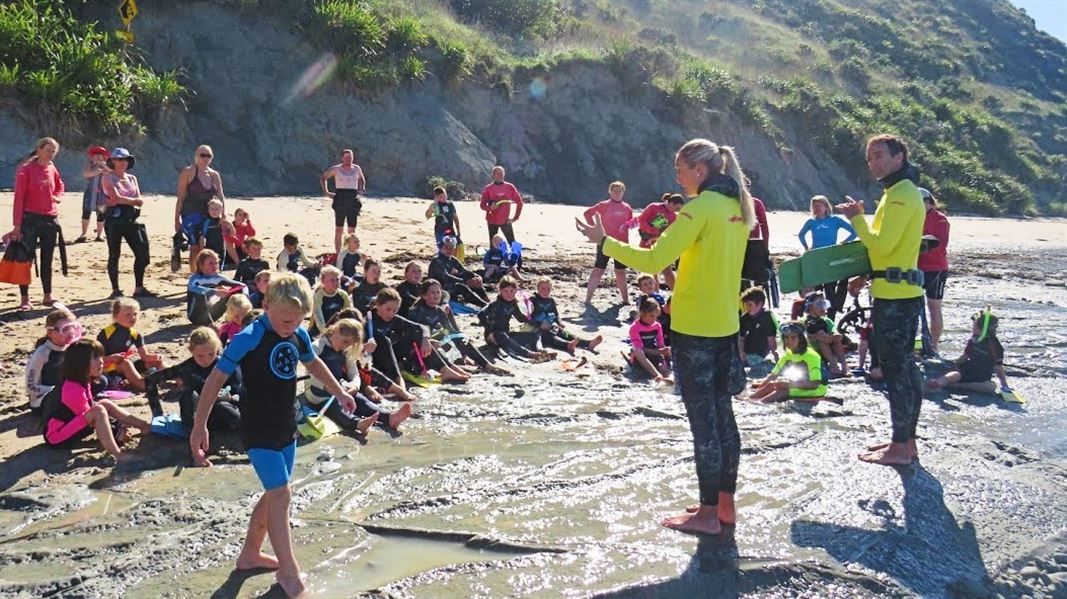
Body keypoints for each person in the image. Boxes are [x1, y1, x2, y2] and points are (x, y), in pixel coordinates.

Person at [577, 137, 753, 536]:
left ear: (699, 171)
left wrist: (604, 243)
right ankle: (724, 505)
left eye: (679, 169)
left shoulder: (700, 209)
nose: (676, 177)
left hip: (695, 329)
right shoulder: (738, 207)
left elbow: (654, 260)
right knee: (724, 419)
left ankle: (708, 514)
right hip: (726, 325)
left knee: (704, 426)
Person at [189, 272, 358, 597]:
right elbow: (214, 381)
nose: (290, 326)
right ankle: (289, 574)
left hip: (286, 425)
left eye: (297, 321)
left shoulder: (299, 335)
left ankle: (250, 555)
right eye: (284, 320)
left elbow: (314, 365)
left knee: (274, 493)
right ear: (266, 305)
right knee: (281, 495)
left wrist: (339, 392)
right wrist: (200, 425)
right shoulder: (249, 336)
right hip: (258, 428)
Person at [836, 134, 926, 466]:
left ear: (899, 157)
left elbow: (883, 246)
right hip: (898, 294)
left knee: (897, 371)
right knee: (904, 368)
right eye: (869, 158)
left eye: (879, 155)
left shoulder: (901, 196)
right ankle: (906, 442)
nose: (873, 162)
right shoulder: (898, 193)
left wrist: (857, 218)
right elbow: (889, 251)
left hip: (897, 299)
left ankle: (901, 446)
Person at [42, 338, 151, 457]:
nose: (101, 362)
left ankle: (144, 426)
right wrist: (117, 432)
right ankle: (118, 454)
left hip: (73, 424)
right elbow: (93, 419)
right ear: (80, 363)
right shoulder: (72, 389)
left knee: (104, 403)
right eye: (95, 358)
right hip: (57, 437)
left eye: (101, 357)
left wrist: (117, 424)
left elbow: (89, 408)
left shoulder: (82, 380)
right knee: (98, 410)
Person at [304, 318, 412, 433]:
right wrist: (334, 390)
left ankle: (389, 417)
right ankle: (358, 423)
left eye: (350, 344)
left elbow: (354, 373)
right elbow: (312, 375)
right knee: (337, 407)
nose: (346, 346)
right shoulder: (317, 347)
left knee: (362, 400)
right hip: (318, 392)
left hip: (341, 388)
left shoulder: (346, 349)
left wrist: (354, 386)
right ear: (335, 331)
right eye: (345, 341)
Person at [143, 327, 242, 438]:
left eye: (211, 354)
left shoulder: (227, 366)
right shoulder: (186, 368)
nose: (206, 360)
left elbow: (242, 393)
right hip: (195, 418)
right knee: (188, 393)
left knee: (227, 410)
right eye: (200, 356)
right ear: (191, 351)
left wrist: (230, 397)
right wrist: (157, 413)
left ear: (217, 349)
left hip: (220, 411)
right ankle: (191, 434)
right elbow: (150, 380)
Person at [367, 288, 471, 385]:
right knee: (385, 341)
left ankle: (446, 369)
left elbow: (422, 327)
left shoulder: (393, 318)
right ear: (378, 305)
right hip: (375, 360)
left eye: (395, 310)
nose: (391, 314)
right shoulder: (369, 320)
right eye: (388, 309)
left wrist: (425, 339)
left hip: (393, 355)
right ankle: (398, 378)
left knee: (417, 334)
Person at [409, 279, 511, 375]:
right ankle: (451, 369)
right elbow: (410, 335)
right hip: (416, 347)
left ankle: (487, 364)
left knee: (460, 338)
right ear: (424, 295)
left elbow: (451, 332)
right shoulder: (416, 311)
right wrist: (429, 341)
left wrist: (463, 340)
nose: (436, 295)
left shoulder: (439, 311)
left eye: (438, 292)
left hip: (431, 342)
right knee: (437, 348)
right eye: (432, 292)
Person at [11, 137, 65, 310]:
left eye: (54, 151)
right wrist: (17, 225)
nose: (51, 154)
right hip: (30, 219)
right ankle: (25, 299)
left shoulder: (52, 168)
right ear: (39, 149)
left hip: (50, 219)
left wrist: (57, 196)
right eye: (48, 150)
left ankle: (47, 295)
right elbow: (19, 198)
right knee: (25, 260)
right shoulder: (26, 170)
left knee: (47, 259)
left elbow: (60, 185)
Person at [101, 147, 154, 299]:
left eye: (124, 159)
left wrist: (134, 201)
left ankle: (139, 287)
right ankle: (115, 289)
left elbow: (139, 198)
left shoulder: (132, 178)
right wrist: (133, 201)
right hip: (115, 219)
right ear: (112, 161)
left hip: (131, 218)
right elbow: (115, 197)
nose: (122, 162)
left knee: (142, 252)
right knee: (114, 253)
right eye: (118, 159)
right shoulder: (107, 177)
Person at [925, 307, 1009, 395]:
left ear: (984, 329)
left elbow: (998, 367)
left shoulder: (995, 345)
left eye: (974, 326)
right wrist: (955, 365)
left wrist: (1004, 385)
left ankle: (958, 385)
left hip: (982, 376)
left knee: (991, 386)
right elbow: (965, 356)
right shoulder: (973, 340)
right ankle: (938, 383)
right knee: (954, 374)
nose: (972, 327)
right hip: (967, 370)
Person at [798, 195, 857, 318]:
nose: (817, 209)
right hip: (816, 259)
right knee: (816, 292)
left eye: (819, 206)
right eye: (815, 207)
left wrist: (844, 243)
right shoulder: (811, 222)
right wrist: (807, 248)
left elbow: (854, 231)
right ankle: (815, 317)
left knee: (830, 291)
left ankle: (831, 317)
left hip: (831, 259)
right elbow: (801, 235)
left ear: (826, 207)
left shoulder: (835, 220)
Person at [478, 276, 554, 362]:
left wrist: (529, 313)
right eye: (505, 291)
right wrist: (489, 332)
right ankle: (528, 354)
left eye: (511, 291)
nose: (509, 294)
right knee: (501, 335)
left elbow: (521, 319)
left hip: (506, 333)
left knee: (535, 334)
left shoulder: (513, 304)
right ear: (500, 290)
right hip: (493, 337)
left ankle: (540, 349)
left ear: (516, 291)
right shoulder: (495, 304)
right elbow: (480, 314)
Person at [748, 322, 828, 403]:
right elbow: (772, 376)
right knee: (771, 384)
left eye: (793, 338)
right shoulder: (788, 355)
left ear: (801, 339)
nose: (789, 341)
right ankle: (749, 400)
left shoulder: (811, 356)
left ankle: (760, 403)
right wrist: (759, 390)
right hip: (799, 384)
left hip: (817, 389)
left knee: (782, 391)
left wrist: (788, 384)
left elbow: (814, 385)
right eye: (786, 337)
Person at [175, 145, 225, 273]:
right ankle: (194, 274)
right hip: (191, 213)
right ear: (196, 156)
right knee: (195, 245)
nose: (205, 158)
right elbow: (180, 197)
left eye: (209, 155)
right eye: (202, 155)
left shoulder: (214, 175)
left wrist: (223, 215)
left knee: (209, 246)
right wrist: (176, 220)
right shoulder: (188, 172)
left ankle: (206, 273)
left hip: (209, 214)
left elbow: (220, 195)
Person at [97, 297, 163, 392]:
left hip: (123, 368)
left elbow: (145, 356)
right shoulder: (106, 333)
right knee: (126, 363)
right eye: (128, 315)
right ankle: (144, 385)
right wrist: (110, 358)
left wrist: (155, 357)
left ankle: (178, 378)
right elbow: (95, 358)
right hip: (106, 368)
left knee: (155, 361)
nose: (132, 318)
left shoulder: (135, 333)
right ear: (116, 316)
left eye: (135, 314)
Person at [583, 181, 633, 304]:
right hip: (604, 241)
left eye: (619, 191)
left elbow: (630, 223)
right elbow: (587, 213)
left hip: (621, 244)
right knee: (598, 270)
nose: (617, 193)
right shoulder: (604, 205)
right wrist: (595, 230)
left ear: (623, 192)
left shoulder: (627, 207)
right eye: (614, 191)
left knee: (620, 272)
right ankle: (588, 299)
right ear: (610, 192)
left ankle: (626, 300)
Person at [26, 308, 82, 416]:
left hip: (66, 393)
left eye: (73, 328)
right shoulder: (42, 353)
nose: (70, 333)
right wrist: (58, 390)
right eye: (65, 329)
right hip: (44, 400)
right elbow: (30, 387)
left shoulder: (72, 348)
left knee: (101, 381)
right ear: (50, 333)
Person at [530, 277, 601, 353]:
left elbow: (556, 314)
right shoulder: (533, 300)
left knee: (564, 333)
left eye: (548, 289)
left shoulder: (550, 301)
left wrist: (559, 322)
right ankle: (567, 345)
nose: (546, 291)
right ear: (537, 288)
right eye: (543, 288)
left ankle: (588, 343)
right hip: (536, 329)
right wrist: (540, 324)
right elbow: (528, 317)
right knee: (550, 336)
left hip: (550, 325)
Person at [917, 187, 949, 354]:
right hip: (915, 267)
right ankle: (915, 343)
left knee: (934, 307)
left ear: (928, 202)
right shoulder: (912, 217)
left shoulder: (940, 220)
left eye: (919, 202)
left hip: (936, 268)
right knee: (912, 307)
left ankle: (934, 346)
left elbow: (940, 244)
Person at [632, 193, 684, 289]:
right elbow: (641, 221)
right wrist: (653, 231)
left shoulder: (674, 217)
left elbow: (670, 234)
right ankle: (653, 295)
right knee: (650, 271)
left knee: (667, 271)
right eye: (676, 208)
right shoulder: (654, 207)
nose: (677, 211)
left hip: (661, 245)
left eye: (678, 210)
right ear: (671, 203)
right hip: (646, 243)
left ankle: (676, 293)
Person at [321, 148, 366, 253]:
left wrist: (362, 190)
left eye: (350, 158)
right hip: (340, 199)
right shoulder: (336, 169)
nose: (348, 160)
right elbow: (323, 177)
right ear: (342, 158)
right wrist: (326, 192)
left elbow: (362, 179)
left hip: (353, 199)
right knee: (339, 229)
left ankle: (351, 252)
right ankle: (338, 253)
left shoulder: (357, 169)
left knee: (352, 230)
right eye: (346, 158)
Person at [187, 249, 245, 326]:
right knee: (202, 293)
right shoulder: (195, 278)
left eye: (216, 263)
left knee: (236, 291)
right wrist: (215, 292)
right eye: (210, 263)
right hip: (195, 317)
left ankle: (237, 317)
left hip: (212, 316)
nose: (214, 266)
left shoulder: (218, 278)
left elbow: (241, 285)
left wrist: (245, 294)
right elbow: (193, 288)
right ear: (201, 265)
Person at [429, 236, 489, 308]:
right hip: (439, 288)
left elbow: (464, 271)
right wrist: (466, 282)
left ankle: (486, 300)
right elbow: (446, 277)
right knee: (461, 286)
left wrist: (477, 277)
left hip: (449, 285)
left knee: (472, 278)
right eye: (446, 248)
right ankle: (484, 305)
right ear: (440, 248)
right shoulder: (436, 261)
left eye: (451, 248)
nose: (449, 250)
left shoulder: (452, 260)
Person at [629, 298, 672, 382]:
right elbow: (641, 349)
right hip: (641, 357)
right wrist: (659, 351)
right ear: (642, 314)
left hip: (655, 354)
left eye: (656, 316)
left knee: (663, 367)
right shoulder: (635, 327)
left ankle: (669, 377)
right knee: (637, 350)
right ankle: (656, 375)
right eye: (651, 316)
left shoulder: (657, 326)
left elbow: (661, 345)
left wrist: (666, 353)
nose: (654, 319)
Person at [479, 166, 523, 244]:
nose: (500, 175)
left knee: (512, 243)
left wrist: (515, 218)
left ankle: (516, 256)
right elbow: (482, 205)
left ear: (504, 174)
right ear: (493, 175)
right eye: (498, 174)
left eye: (502, 173)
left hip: (505, 221)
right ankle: (494, 255)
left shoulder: (509, 187)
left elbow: (519, 202)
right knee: (493, 246)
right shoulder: (488, 188)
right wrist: (490, 208)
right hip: (491, 220)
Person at [804, 297, 848, 376]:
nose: (823, 308)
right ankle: (834, 366)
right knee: (821, 339)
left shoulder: (826, 321)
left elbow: (836, 333)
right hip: (814, 350)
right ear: (811, 307)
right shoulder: (804, 321)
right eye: (819, 305)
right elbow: (805, 337)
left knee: (836, 342)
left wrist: (833, 337)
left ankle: (844, 367)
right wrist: (818, 337)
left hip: (830, 348)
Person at [75, 145, 109, 243]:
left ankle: (99, 234)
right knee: (86, 213)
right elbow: (86, 174)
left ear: (104, 156)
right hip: (90, 192)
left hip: (102, 194)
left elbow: (111, 172)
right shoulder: (89, 165)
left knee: (101, 214)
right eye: (95, 155)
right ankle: (83, 233)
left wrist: (103, 166)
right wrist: (97, 171)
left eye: (100, 155)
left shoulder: (106, 165)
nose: (97, 157)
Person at [738, 286, 778, 366]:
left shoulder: (767, 317)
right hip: (748, 348)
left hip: (761, 350)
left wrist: (775, 354)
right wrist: (741, 352)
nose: (747, 308)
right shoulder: (744, 318)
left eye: (750, 305)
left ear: (759, 304)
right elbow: (741, 338)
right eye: (745, 305)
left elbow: (771, 338)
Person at [311, 265, 352, 336]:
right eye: (332, 280)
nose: (336, 283)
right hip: (319, 329)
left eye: (337, 279)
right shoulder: (318, 296)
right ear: (323, 281)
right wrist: (326, 332)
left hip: (337, 328)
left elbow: (349, 313)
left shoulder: (343, 294)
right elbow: (318, 318)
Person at [200, 199, 234, 268]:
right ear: (208, 210)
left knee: (219, 268)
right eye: (212, 209)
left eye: (217, 209)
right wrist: (202, 250)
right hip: (209, 249)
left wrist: (230, 225)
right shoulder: (207, 222)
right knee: (209, 268)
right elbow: (202, 237)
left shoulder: (223, 222)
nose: (214, 211)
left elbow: (232, 234)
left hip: (221, 249)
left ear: (221, 210)